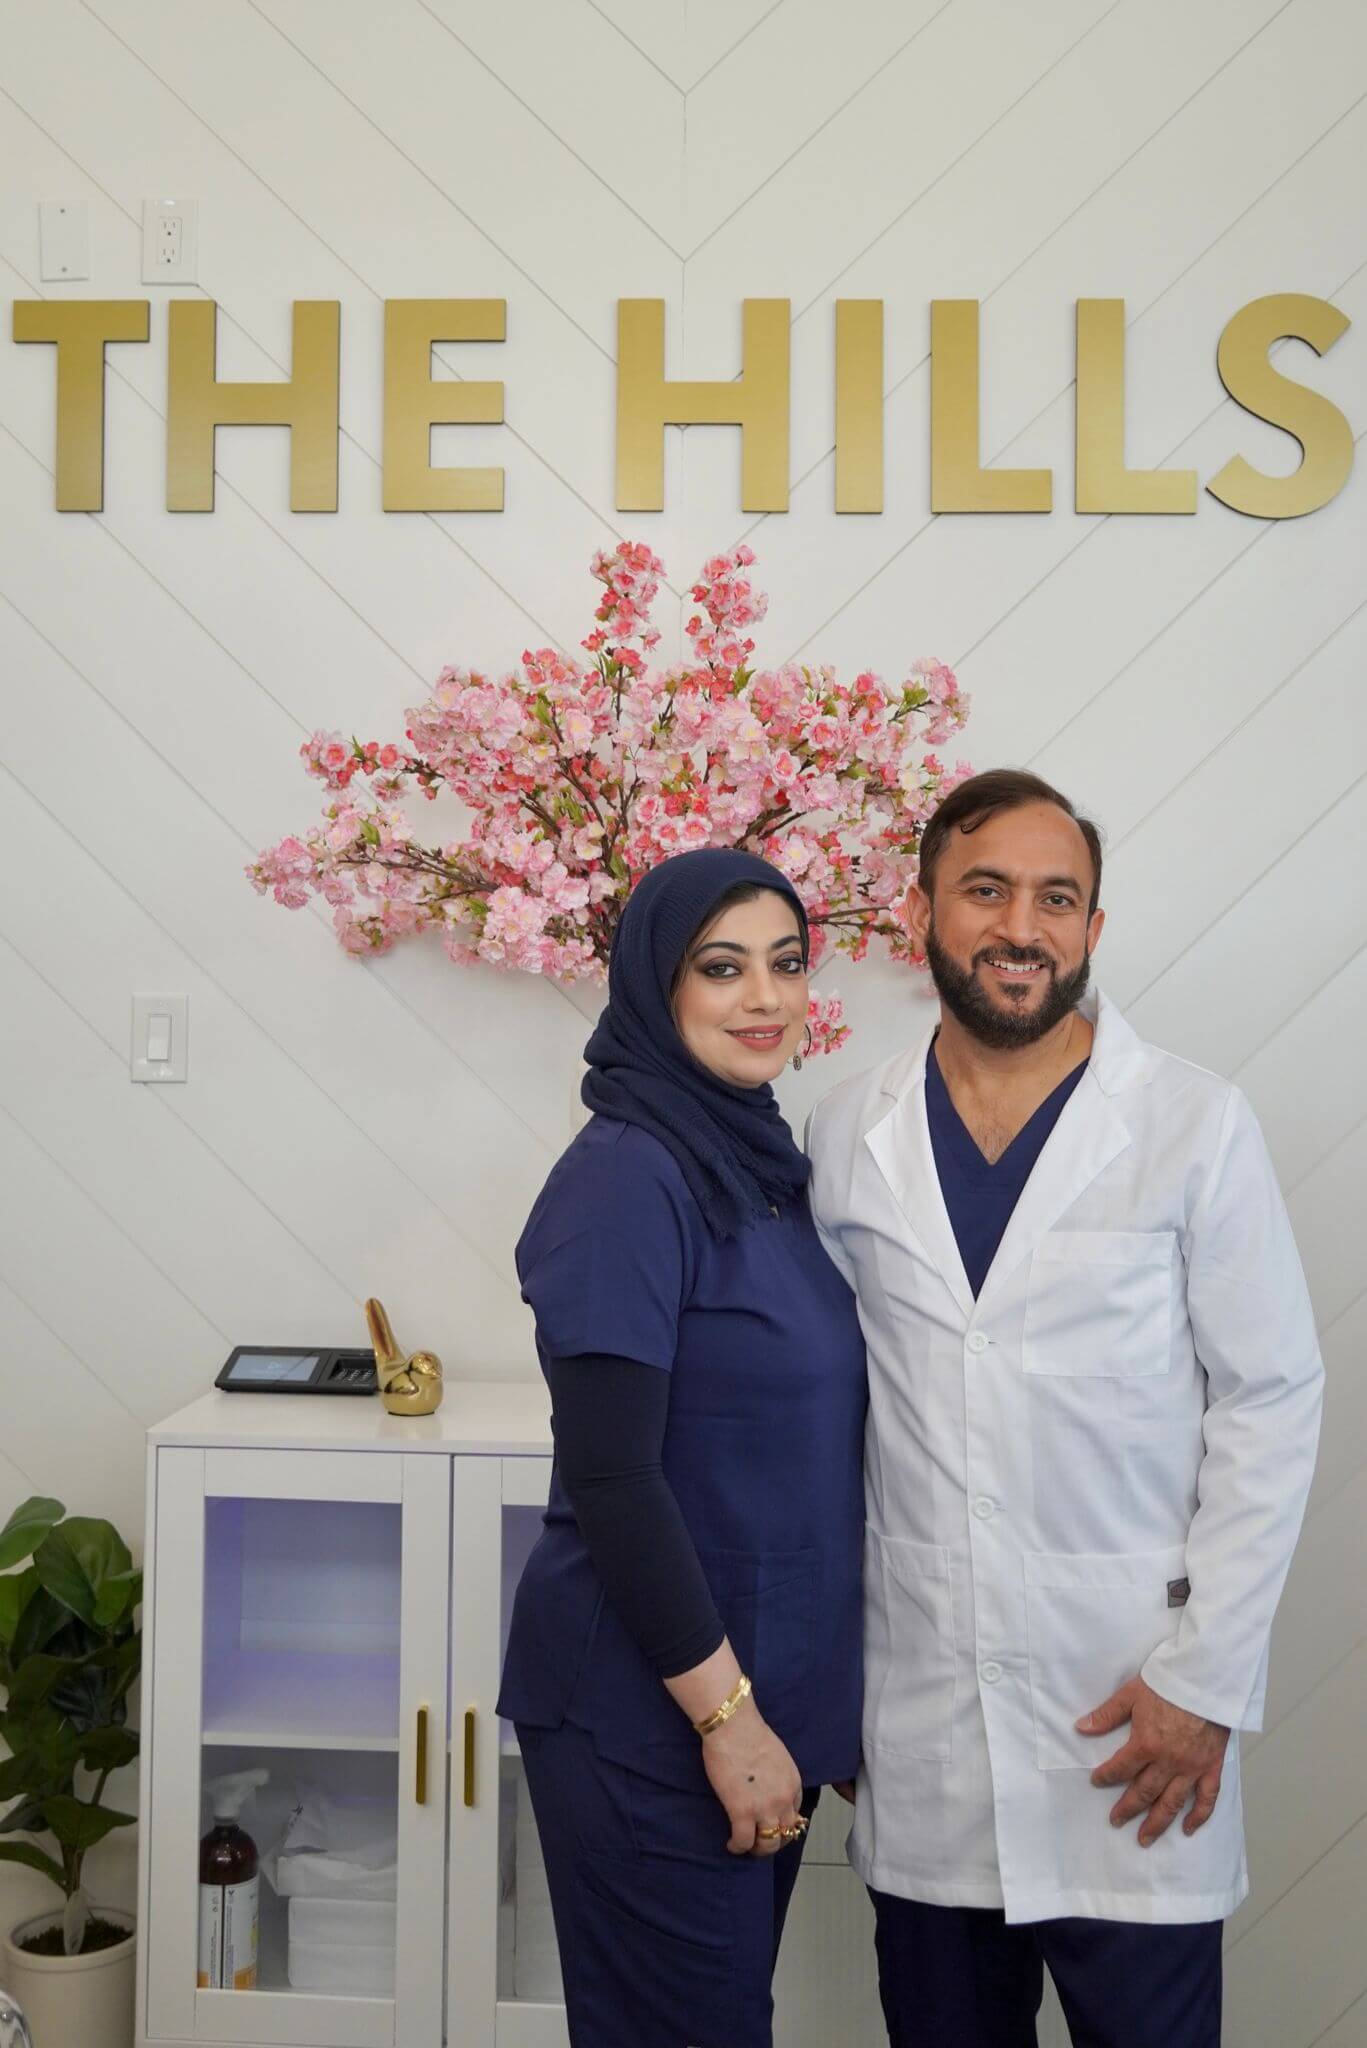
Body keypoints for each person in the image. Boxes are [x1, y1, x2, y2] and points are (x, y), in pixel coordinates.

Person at [806, 769, 1323, 2048]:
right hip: (921, 1726)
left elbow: (1269, 1400)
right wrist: (829, 1692)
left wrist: (1202, 1686)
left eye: (1056, 897)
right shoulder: (842, 1133)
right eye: (984, 889)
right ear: (921, 905)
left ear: (1091, 926)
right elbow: (823, 1417)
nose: (1018, 926)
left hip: (1134, 1731)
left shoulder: (1190, 1125)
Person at [497, 847, 868, 2048]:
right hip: (651, 1723)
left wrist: (818, 1715)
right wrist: (730, 1724)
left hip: (752, 1712)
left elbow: (786, 1464)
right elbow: (614, 1479)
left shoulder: (754, 1164)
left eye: (783, 963)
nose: (762, 996)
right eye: (721, 967)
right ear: (656, 986)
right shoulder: (623, 1178)